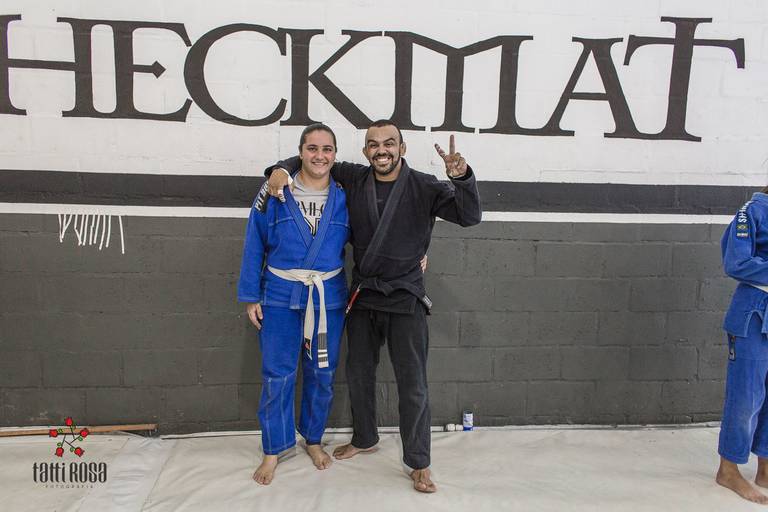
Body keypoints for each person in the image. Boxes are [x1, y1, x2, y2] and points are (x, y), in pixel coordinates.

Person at [265, 120, 482, 493]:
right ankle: (365, 438)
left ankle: (419, 462)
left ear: (402, 148)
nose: (382, 150)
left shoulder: (425, 185)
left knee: (412, 384)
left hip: (406, 297)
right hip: (363, 296)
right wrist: (280, 170)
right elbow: (313, 160)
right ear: (366, 151)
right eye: (374, 144)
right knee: (359, 373)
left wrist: (461, 177)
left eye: (389, 143)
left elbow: (469, 216)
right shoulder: (354, 178)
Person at [238, 123, 349, 485]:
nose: (320, 156)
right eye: (312, 148)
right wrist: (250, 296)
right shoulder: (275, 189)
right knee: (277, 374)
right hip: (279, 295)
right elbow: (254, 241)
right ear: (300, 152)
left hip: (327, 297)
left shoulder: (345, 194)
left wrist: (415, 254)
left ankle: (313, 439)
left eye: (327, 149)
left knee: (322, 373)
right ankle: (274, 449)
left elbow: (374, 234)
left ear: (335, 155)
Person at [717, 190, 768, 504]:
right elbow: (736, 262)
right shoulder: (753, 211)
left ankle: (765, 468)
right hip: (753, 314)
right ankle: (729, 469)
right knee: (746, 396)